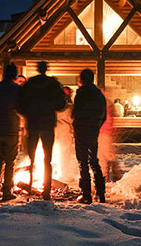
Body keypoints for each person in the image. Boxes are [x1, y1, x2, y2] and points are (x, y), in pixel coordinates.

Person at [16, 61, 66, 200]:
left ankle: (31, 186)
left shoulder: (30, 84)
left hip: (32, 123)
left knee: (31, 157)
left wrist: (27, 113)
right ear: (46, 69)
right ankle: (46, 190)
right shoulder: (53, 84)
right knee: (47, 158)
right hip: (48, 123)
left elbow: (18, 103)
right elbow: (61, 104)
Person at [72, 69, 107, 204]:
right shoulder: (98, 94)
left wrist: (76, 122)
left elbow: (76, 111)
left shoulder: (82, 92)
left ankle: (86, 194)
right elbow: (103, 115)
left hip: (81, 130)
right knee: (94, 160)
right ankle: (100, 192)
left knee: (83, 162)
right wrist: (96, 126)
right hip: (93, 130)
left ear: (83, 79)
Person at [0, 64, 21, 201]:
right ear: (14, 75)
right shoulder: (17, 90)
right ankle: (7, 191)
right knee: (10, 161)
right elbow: (21, 108)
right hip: (11, 129)